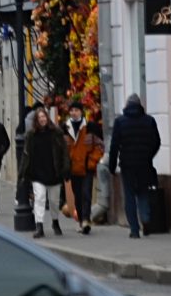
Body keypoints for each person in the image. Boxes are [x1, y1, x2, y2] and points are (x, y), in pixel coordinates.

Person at [109, 93, 164, 239]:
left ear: (127, 105)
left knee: (129, 196)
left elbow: (114, 146)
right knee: (143, 193)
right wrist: (149, 155)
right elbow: (157, 142)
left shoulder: (120, 122)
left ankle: (134, 229)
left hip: (127, 165)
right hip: (145, 164)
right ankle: (145, 219)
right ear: (140, 105)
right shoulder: (149, 121)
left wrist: (112, 165)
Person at [23, 107, 70, 238]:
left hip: (53, 172)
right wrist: (24, 173)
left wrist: (66, 169)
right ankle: (39, 226)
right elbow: (26, 155)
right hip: (37, 173)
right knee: (39, 199)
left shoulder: (56, 133)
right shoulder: (31, 135)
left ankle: (55, 221)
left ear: (47, 118)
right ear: (36, 120)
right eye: (39, 118)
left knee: (54, 201)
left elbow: (64, 153)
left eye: (44, 117)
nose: (42, 119)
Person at [67, 106, 103, 235]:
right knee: (78, 195)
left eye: (76, 110)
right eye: (72, 110)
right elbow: (61, 148)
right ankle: (81, 220)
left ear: (81, 112)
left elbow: (99, 146)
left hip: (87, 167)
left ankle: (86, 220)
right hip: (73, 169)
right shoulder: (66, 129)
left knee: (86, 193)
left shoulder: (90, 127)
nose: (74, 112)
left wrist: (92, 161)